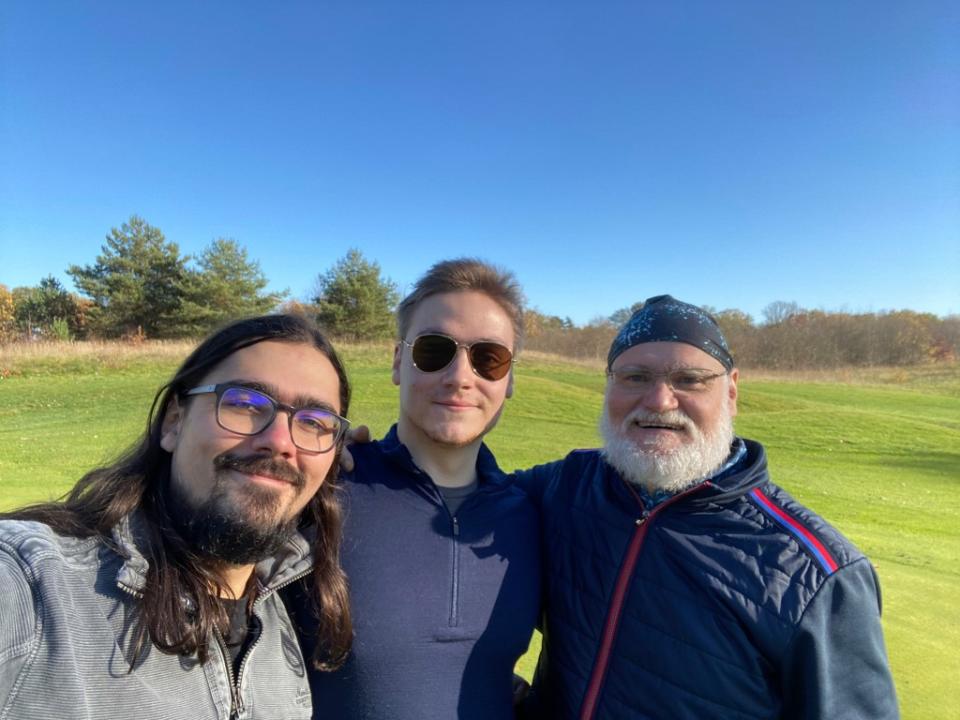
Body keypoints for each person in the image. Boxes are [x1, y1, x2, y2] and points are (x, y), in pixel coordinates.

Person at [517, 295, 899, 720]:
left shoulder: (818, 574)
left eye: (690, 380)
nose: (660, 400)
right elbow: (454, 502)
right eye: (635, 376)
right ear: (609, 383)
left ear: (731, 390)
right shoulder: (565, 485)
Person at [0, 314, 353, 720]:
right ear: (173, 421)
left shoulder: (284, 613)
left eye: (313, 423)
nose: (279, 442)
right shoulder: (33, 586)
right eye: (243, 403)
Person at [286, 258, 540, 720]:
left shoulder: (532, 514)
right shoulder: (322, 487)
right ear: (399, 361)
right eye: (434, 350)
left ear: (509, 381)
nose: (461, 376)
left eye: (489, 358)